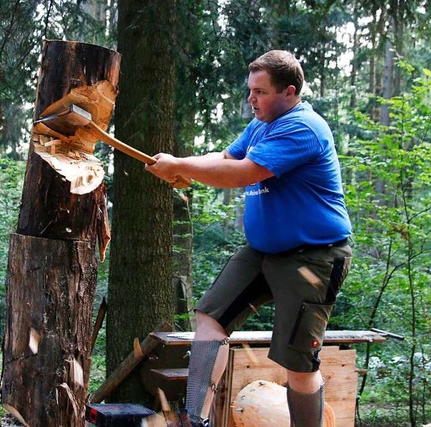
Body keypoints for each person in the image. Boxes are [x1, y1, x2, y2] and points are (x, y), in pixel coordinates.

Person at [145, 50, 352, 427]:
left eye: (260, 91)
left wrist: (180, 167)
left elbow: (243, 173)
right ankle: (195, 420)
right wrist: (181, 165)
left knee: (298, 363)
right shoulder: (261, 123)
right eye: (249, 90)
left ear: (289, 92)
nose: (251, 99)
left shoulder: (303, 127)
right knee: (210, 317)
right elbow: (224, 157)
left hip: (315, 257)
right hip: (263, 251)